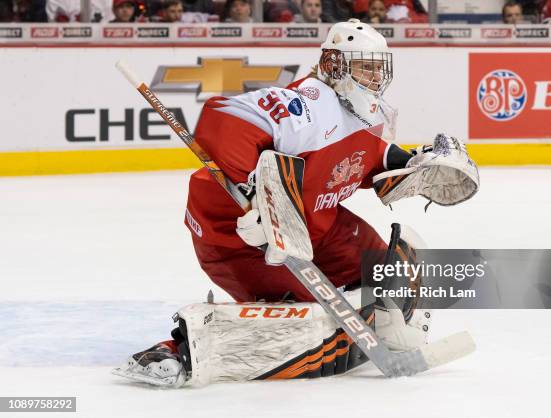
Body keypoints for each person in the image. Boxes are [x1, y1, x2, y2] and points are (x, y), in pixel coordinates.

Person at [114, 19, 478, 387]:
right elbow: (222, 117)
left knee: (384, 267)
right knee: (306, 314)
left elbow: (367, 157)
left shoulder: (365, 112)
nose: (375, 77)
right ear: (335, 65)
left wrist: (413, 162)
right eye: (365, 67)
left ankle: (385, 320)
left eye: (377, 68)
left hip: (314, 225)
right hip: (237, 238)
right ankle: (174, 350)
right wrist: (253, 194)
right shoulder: (307, 104)